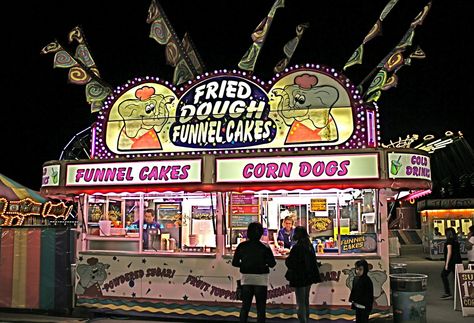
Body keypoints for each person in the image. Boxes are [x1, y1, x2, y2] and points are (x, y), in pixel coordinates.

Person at [232, 222, 276, 323]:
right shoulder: (265, 247)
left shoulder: (242, 246)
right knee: (261, 309)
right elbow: (272, 263)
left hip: (246, 279)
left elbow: (235, 263)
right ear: (261, 233)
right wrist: (263, 263)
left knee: (245, 307)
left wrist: (244, 265)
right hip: (261, 280)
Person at [285, 226, 321, 323]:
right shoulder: (309, 246)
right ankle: (307, 320)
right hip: (308, 277)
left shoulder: (297, 247)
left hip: (299, 277)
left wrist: (288, 258)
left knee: (300, 303)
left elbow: (290, 262)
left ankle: (303, 321)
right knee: (305, 301)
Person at [440, 227, 462, 299]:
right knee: (457, 277)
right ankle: (460, 293)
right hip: (458, 261)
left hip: (451, 262)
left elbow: (449, 252)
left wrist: (447, 263)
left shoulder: (449, 241)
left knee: (443, 275)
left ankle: (448, 293)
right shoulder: (456, 241)